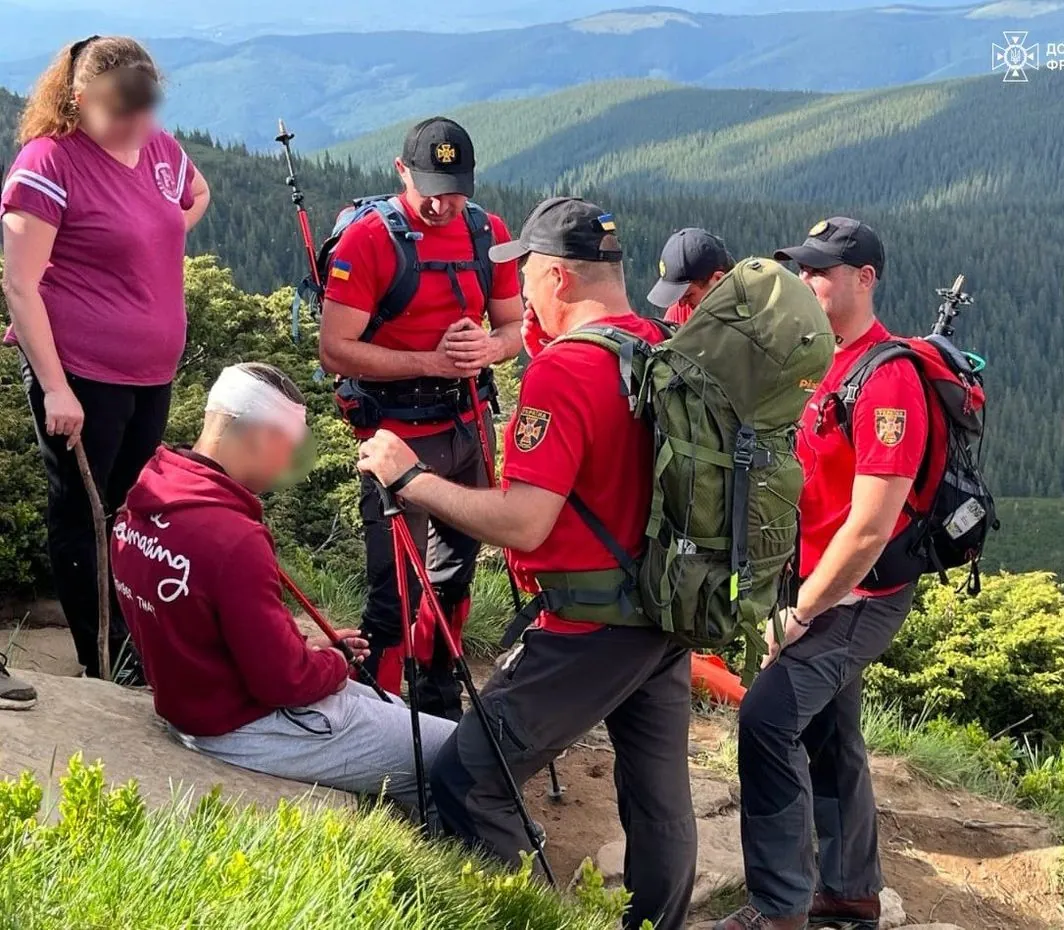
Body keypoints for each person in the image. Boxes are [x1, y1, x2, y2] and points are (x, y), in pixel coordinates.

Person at [357, 197, 697, 930]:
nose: (519, 294)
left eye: (529, 276)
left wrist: (410, 477)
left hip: (589, 625)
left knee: (467, 778)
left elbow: (524, 519)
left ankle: (532, 920)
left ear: (560, 280)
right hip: (665, 607)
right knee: (659, 800)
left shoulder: (566, 370)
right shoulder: (658, 347)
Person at [715, 217, 943, 930]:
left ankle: (779, 907)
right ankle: (849, 896)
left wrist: (802, 612)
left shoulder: (889, 378)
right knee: (829, 731)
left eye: (820, 272)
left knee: (765, 720)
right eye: (802, 270)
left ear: (864, 279)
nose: (805, 283)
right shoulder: (825, 359)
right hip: (815, 581)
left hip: (857, 595)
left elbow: (871, 527)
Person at [109, 362, 456, 812]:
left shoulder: (147, 494)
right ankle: (472, 858)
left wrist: (300, 648)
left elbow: (203, 620)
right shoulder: (232, 539)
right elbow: (285, 682)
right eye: (287, 448)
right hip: (244, 725)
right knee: (458, 753)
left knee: (397, 710)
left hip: (191, 702)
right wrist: (334, 662)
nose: (286, 466)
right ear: (258, 436)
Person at [1, 35, 210, 685]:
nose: (135, 123)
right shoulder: (48, 164)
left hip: (153, 372)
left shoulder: (157, 148)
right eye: (121, 110)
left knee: (129, 510)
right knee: (85, 515)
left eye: (145, 107)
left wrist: (153, 244)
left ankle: (132, 639)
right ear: (77, 99)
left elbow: (195, 194)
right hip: (81, 374)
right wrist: (56, 387)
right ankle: (108, 662)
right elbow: (19, 283)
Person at [318, 116, 522, 721]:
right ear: (401, 171)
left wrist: (492, 349)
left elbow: (515, 326)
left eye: (454, 186)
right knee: (394, 589)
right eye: (430, 184)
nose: (442, 201)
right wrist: (429, 361)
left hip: (466, 423)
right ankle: (379, 714)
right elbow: (335, 349)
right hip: (395, 433)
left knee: (454, 576)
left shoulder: (488, 232)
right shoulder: (369, 241)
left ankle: (438, 700)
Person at [646, 226, 734, 325]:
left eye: (688, 295)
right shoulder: (680, 313)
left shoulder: (753, 314)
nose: (682, 304)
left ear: (718, 280)